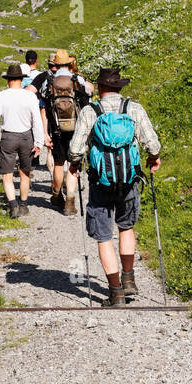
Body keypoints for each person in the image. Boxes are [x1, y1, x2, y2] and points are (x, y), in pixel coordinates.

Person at [68, 67, 160, 307]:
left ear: (100, 88)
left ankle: (115, 292)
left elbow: (76, 149)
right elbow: (152, 143)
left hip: (101, 181)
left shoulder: (91, 111)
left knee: (103, 236)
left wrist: (75, 164)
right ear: (119, 88)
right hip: (129, 179)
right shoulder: (133, 109)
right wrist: (153, 158)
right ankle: (129, 279)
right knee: (126, 227)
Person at [0, 64, 44, 218]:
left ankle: (13, 205)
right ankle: (23, 205)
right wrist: (39, 143)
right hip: (27, 137)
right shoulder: (30, 96)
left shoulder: (2, 95)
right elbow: (37, 121)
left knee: (7, 174)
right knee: (25, 173)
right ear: (21, 79)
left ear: (8, 80)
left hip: (8, 137)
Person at [35, 49, 91, 214]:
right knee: (73, 164)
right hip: (76, 129)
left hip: (57, 129)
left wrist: (45, 132)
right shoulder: (76, 78)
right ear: (68, 63)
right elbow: (88, 92)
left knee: (59, 163)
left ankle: (57, 194)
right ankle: (70, 202)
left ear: (56, 64)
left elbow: (44, 105)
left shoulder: (49, 81)